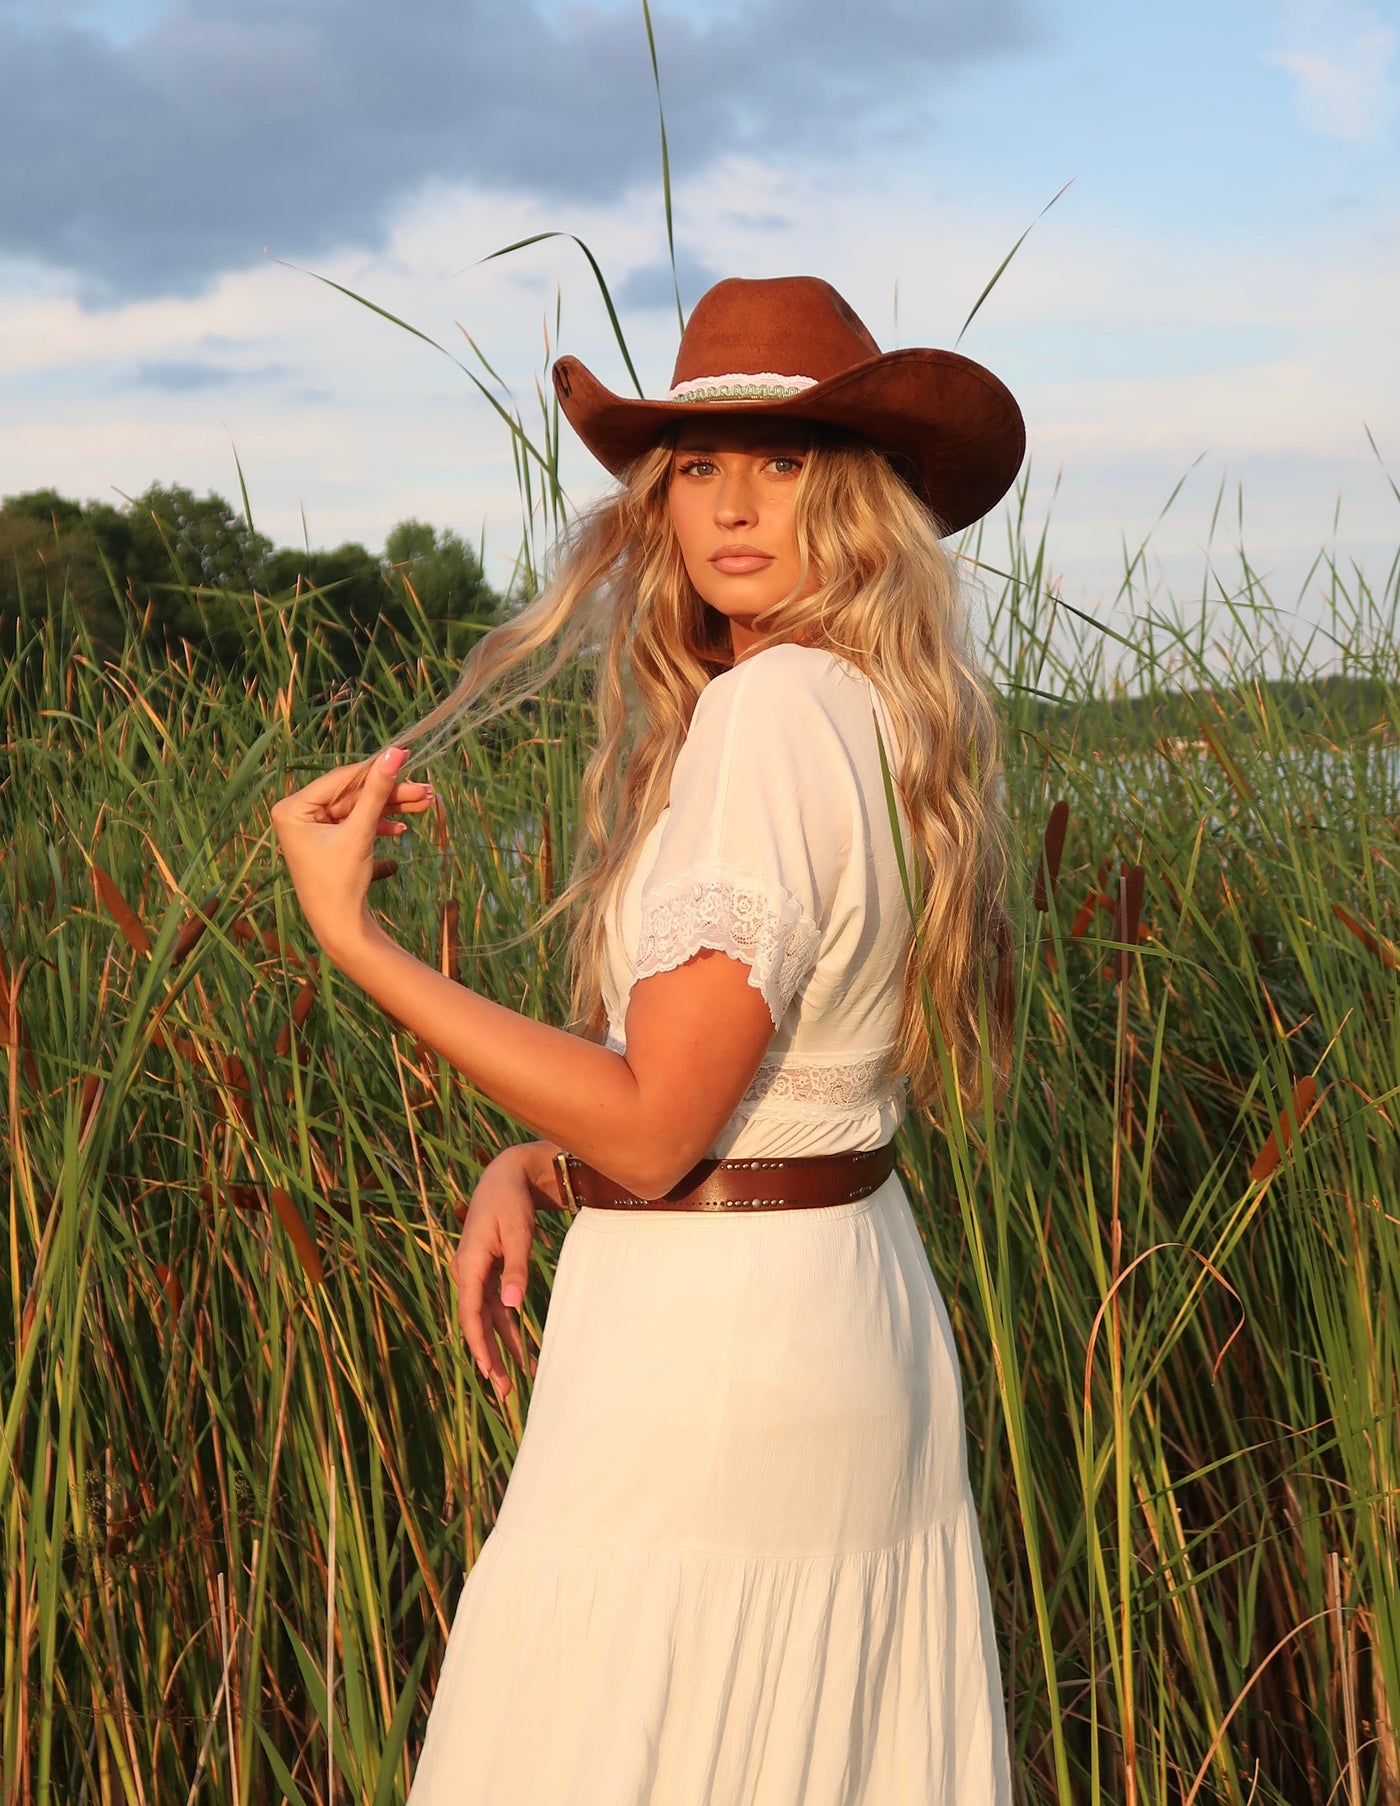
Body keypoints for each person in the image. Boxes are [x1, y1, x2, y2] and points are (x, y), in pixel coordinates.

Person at [269, 274, 1024, 1804]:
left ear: (859, 496)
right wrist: (541, 1162)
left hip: (717, 1374)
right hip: (841, 1312)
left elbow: (660, 1126)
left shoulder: (765, 721)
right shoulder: (871, 706)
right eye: (695, 467)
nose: (735, 505)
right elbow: (781, 1099)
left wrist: (354, 938)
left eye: (786, 460)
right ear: (658, 503)